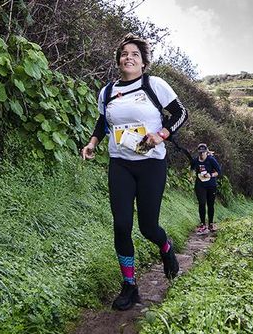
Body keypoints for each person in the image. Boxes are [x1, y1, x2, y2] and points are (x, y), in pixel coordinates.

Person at [81, 34, 188, 311]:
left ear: (143, 63)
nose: (128, 57)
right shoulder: (107, 91)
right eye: (124, 54)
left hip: (151, 164)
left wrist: (161, 134)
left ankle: (166, 248)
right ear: (118, 60)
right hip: (120, 164)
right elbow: (103, 120)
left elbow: (180, 113)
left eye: (135, 55)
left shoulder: (154, 85)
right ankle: (129, 285)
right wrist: (93, 142)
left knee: (148, 227)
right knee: (121, 225)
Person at [192, 143, 222, 234]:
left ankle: (211, 224)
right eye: (200, 152)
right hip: (200, 185)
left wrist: (211, 175)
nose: (201, 154)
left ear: (206, 152)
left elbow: (219, 171)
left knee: (210, 204)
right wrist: (193, 175)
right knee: (201, 203)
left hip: (211, 185)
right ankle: (202, 225)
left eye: (203, 152)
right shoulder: (196, 160)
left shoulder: (211, 160)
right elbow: (192, 169)